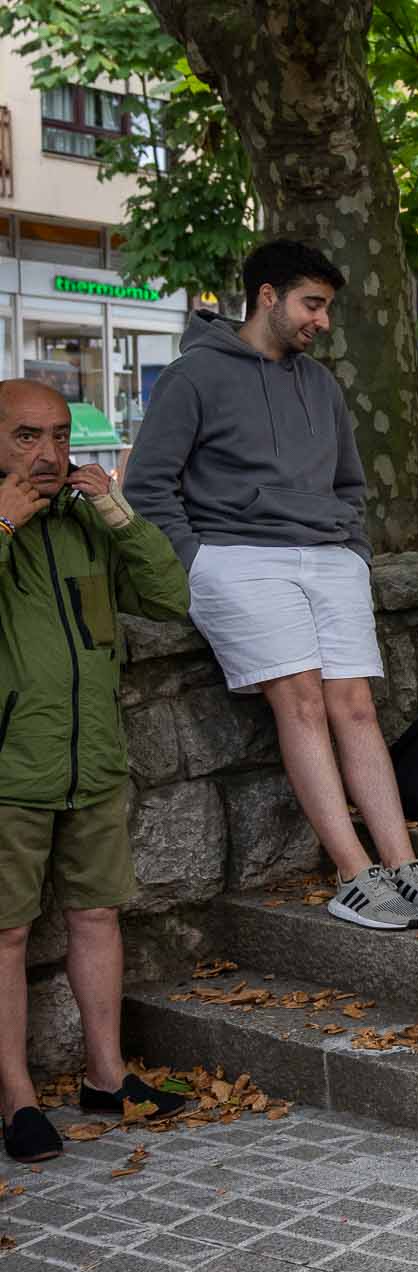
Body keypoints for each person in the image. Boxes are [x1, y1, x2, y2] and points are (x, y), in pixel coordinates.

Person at [125, 240, 418, 930]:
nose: (323, 321)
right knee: (301, 699)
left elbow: (349, 484)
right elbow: (148, 486)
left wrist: (353, 552)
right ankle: (353, 871)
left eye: (328, 307)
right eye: (313, 304)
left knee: (356, 705)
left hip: (328, 557)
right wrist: (197, 562)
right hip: (236, 556)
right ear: (268, 297)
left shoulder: (320, 384)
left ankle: (401, 862)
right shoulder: (194, 377)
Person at [0, 380, 193, 1162]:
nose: (47, 454)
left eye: (57, 436)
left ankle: (106, 1076)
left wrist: (118, 512)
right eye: (24, 437)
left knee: (97, 914)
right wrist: (7, 520)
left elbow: (171, 597)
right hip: (11, 767)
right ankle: (15, 1097)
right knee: (6, 932)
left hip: (94, 761)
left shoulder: (85, 523)